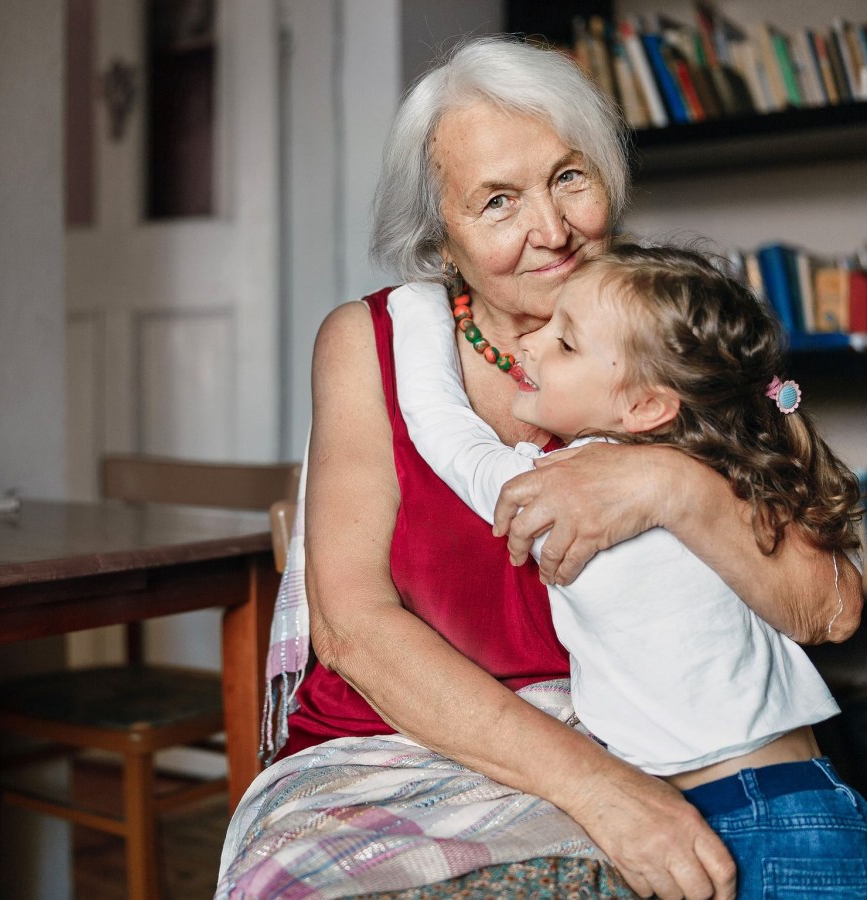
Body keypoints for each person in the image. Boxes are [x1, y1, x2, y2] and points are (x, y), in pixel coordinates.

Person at [217, 35, 861, 900]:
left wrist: (669, 486)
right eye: (497, 201)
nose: (551, 231)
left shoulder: (673, 332)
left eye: (569, 178)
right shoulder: (373, 346)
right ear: (439, 231)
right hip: (406, 745)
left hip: (671, 756)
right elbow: (356, 628)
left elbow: (830, 606)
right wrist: (600, 790)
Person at [389, 242, 867, 897]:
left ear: (645, 407)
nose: (530, 345)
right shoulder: (725, 470)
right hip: (813, 796)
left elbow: (439, 427)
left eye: (566, 343)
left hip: (742, 823)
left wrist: (415, 304)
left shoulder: (561, 488)